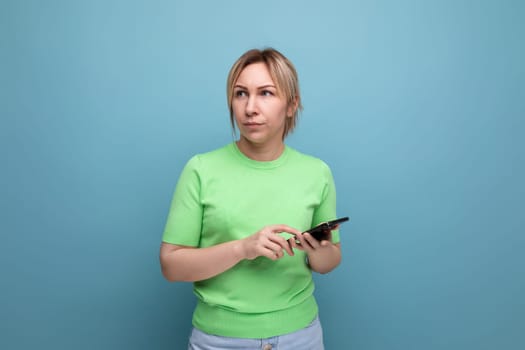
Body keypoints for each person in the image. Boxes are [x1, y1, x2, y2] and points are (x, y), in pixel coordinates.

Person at [160, 47, 342, 350]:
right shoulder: (201, 170)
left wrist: (317, 250)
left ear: (291, 105)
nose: (250, 108)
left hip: (301, 337)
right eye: (241, 93)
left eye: (266, 93)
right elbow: (171, 265)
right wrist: (243, 248)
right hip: (218, 341)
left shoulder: (317, 172)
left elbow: (329, 261)